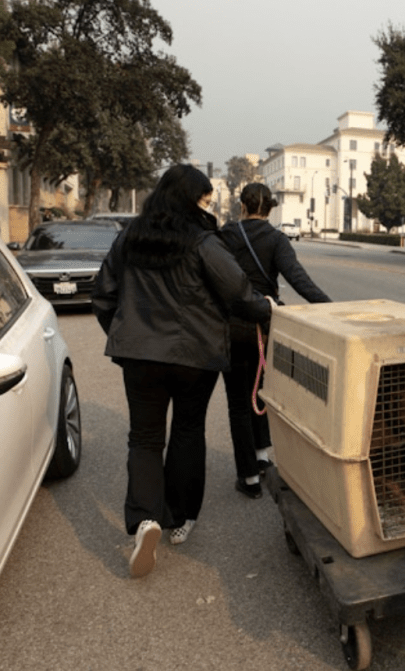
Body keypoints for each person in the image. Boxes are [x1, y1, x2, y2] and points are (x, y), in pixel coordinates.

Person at [92, 164, 273, 578]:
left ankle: (144, 520)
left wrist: (126, 337)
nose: (206, 206)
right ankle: (179, 517)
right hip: (195, 357)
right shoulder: (203, 242)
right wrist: (267, 308)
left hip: (139, 358)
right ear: (191, 199)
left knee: (144, 436)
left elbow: (103, 295)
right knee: (188, 431)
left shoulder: (130, 237)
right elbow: (239, 293)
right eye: (204, 199)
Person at [219, 183, 331, 499]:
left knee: (238, 402)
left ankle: (249, 479)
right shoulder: (276, 239)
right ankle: (263, 457)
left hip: (230, 327)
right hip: (266, 327)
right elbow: (299, 280)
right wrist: (334, 309)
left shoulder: (226, 235)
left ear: (242, 206)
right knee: (262, 390)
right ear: (271, 209)